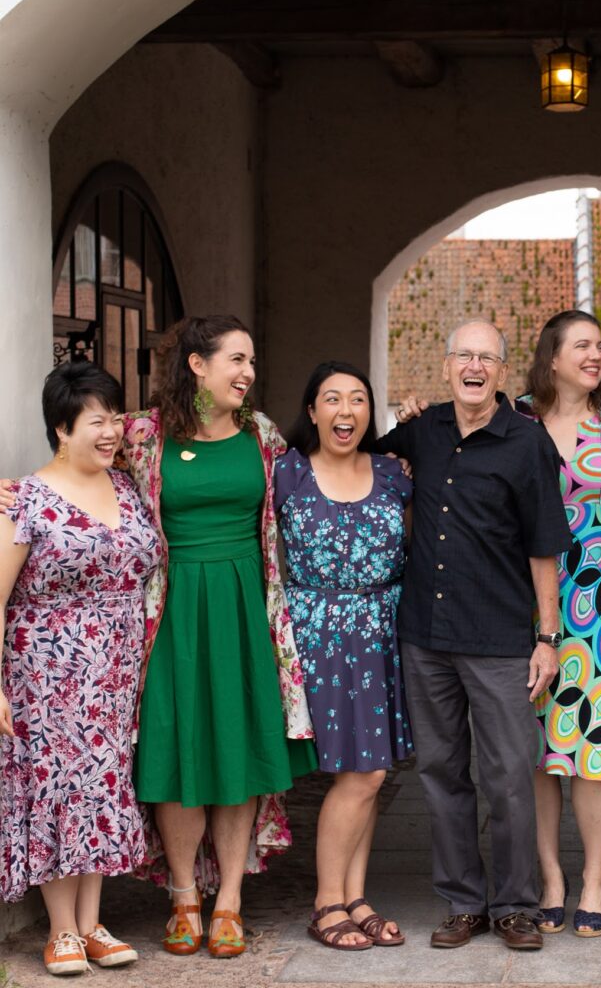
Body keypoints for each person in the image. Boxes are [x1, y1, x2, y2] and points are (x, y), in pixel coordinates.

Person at [123, 315, 317, 957]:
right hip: (172, 608)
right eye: (236, 359)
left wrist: (396, 454)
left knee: (236, 747)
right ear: (197, 365)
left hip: (243, 608)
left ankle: (229, 898)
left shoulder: (261, 437)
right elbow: (81, 464)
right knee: (178, 747)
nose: (248, 373)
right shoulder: (141, 437)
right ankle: (184, 894)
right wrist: (23, 491)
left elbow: (318, 485)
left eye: (252, 361)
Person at [378, 320, 570, 951]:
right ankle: (464, 902)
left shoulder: (527, 442)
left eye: (487, 357)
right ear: (445, 364)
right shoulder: (421, 430)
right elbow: (355, 461)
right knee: (440, 772)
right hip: (426, 635)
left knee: (511, 774)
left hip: (500, 637)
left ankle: (515, 904)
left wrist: (548, 636)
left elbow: (546, 546)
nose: (475, 366)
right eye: (464, 354)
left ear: (502, 372)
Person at [0, 362, 160, 976]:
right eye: (97, 420)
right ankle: (60, 930)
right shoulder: (27, 499)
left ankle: (93, 923)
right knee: (56, 790)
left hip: (116, 672)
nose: (111, 430)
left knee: (101, 786)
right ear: (61, 430)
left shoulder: (125, 487)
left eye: (115, 418)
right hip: (47, 671)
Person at [274, 361, 413, 951]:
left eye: (358, 400)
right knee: (359, 774)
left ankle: (355, 896)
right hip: (319, 632)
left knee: (372, 772)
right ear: (312, 411)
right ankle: (326, 901)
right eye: (332, 399)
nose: (346, 411)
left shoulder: (394, 472)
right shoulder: (284, 472)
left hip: (381, 629)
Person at [515, 310, 601, 938]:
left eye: (600, 346)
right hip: (524, 596)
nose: (595, 355)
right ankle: (549, 876)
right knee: (540, 747)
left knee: (594, 740)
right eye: (582, 346)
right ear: (553, 357)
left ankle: (593, 875)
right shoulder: (517, 423)